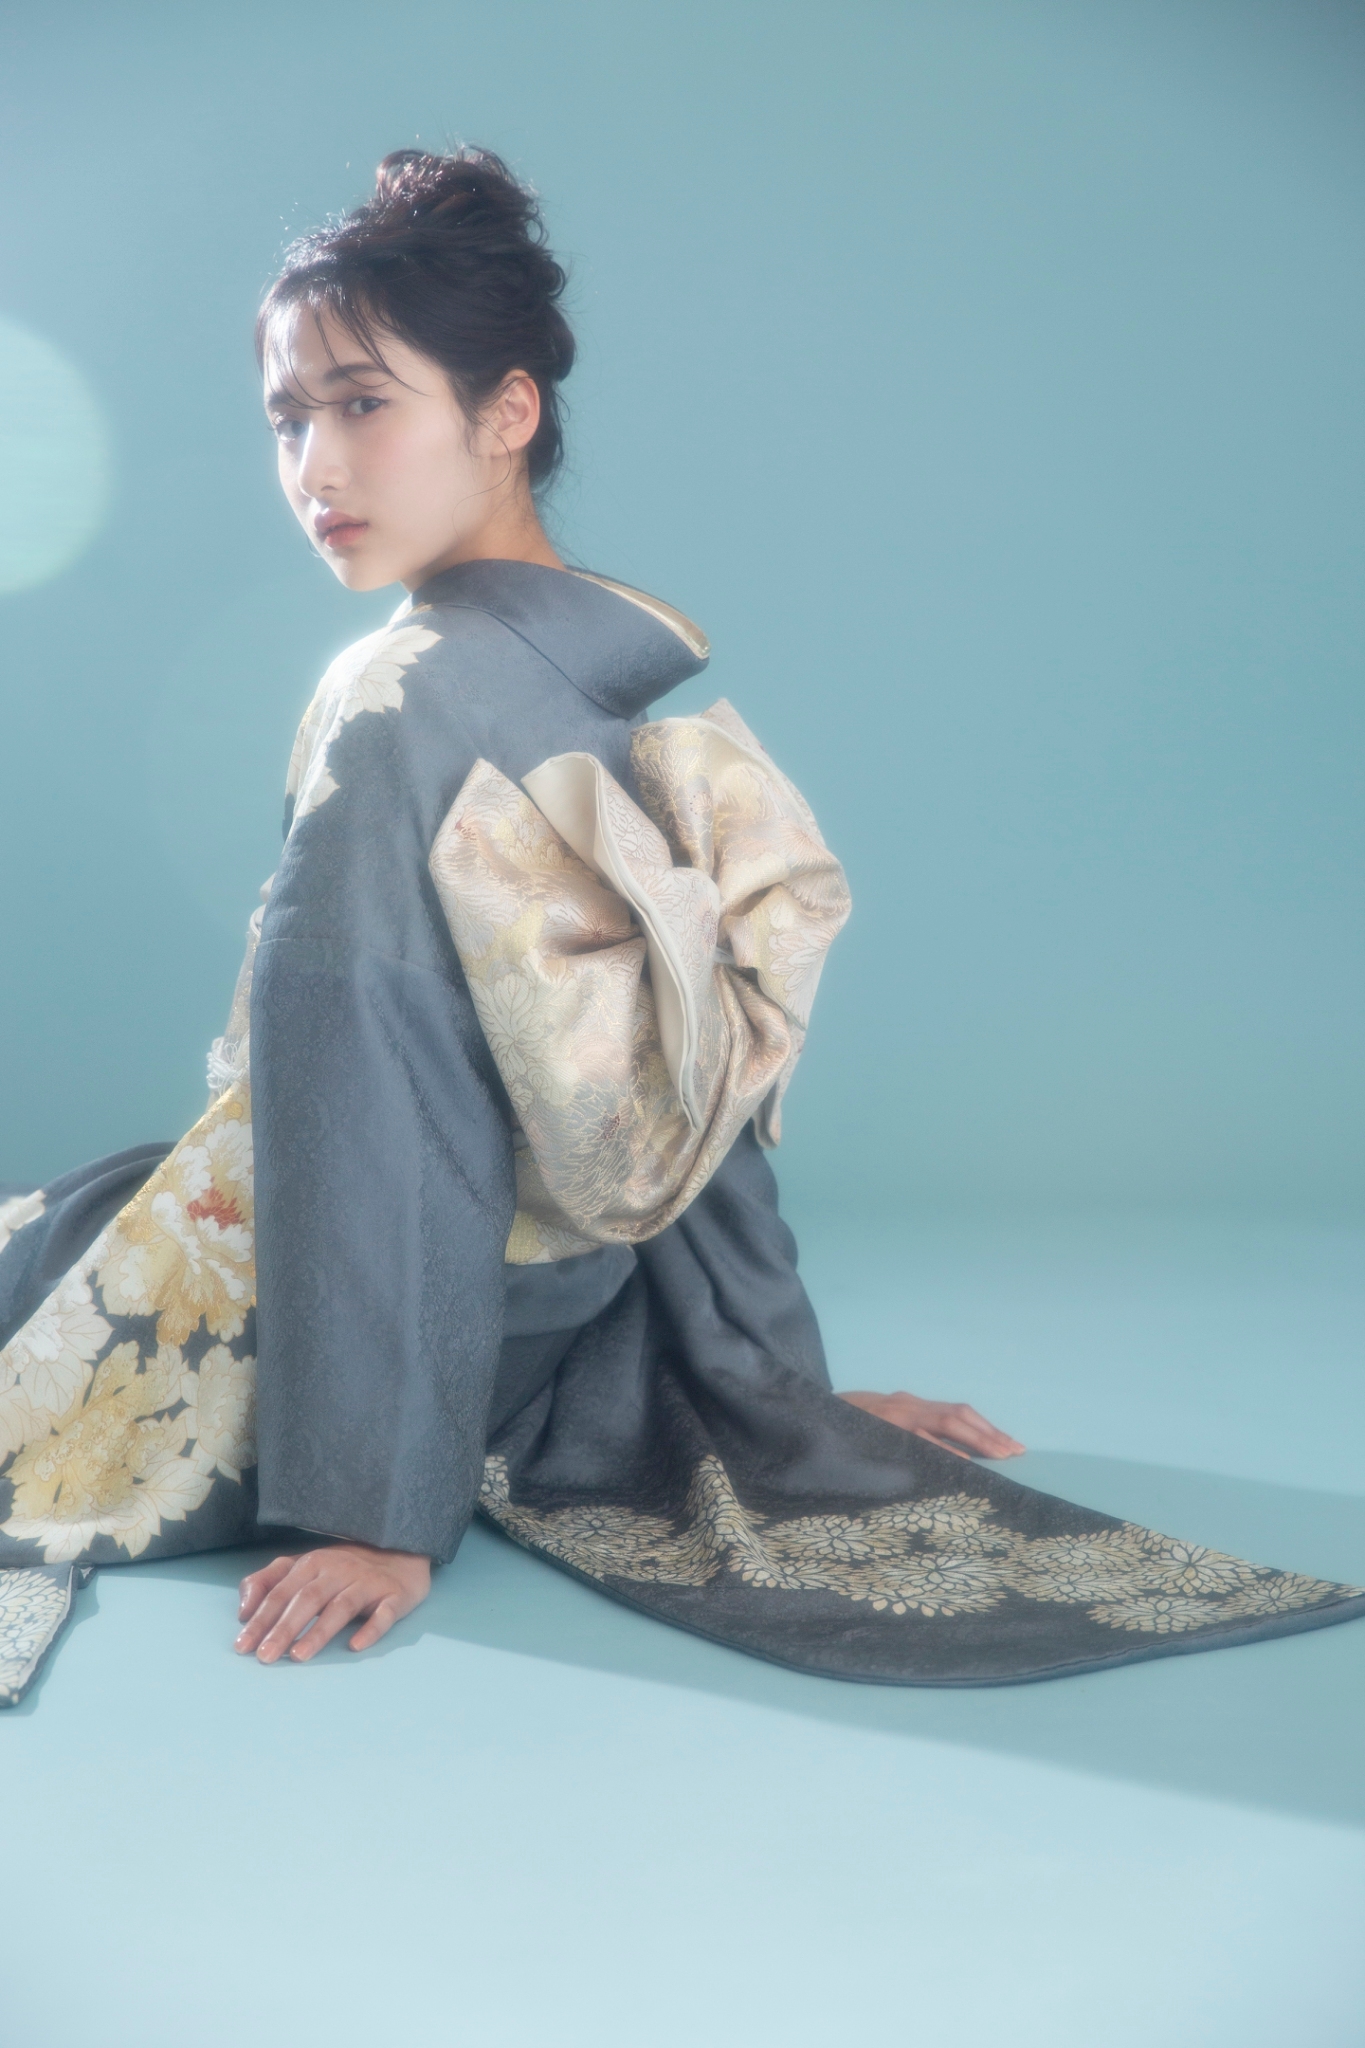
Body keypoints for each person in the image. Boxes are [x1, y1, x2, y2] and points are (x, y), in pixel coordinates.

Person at [1, 150, 1359, 1706]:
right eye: (287, 418)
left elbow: (368, 1091)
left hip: (302, 1319)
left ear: (507, 412)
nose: (318, 463)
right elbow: (668, 1091)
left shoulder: (397, 697)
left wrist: (371, 1509)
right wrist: (771, 1393)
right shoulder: (576, 685)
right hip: (524, 1327)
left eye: (363, 403)